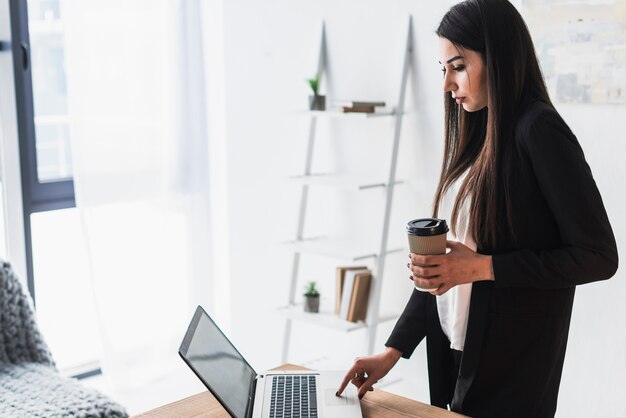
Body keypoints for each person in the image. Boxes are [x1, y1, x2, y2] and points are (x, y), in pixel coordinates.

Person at [336, 0, 619, 417]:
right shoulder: (480, 131)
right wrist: (393, 352)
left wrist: (485, 267)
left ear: (499, 57)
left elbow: (599, 257)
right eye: (443, 69)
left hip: (513, 376)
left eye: (458, 66)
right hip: (457, 354)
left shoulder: (539, 130)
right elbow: (448, 268)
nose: (447, 84)